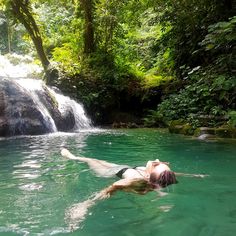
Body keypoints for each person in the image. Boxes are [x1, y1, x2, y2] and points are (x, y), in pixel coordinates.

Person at [61, 148, 180, 196]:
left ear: (148, 175)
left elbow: (114, 186)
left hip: (106, 172)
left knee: (91, 160)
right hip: (120, 167)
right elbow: (166, 178)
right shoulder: (157, 177)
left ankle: (73, 157)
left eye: (156, 164)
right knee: (100, 160)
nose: (157, 160)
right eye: (161, 162)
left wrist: (85, 205)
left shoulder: (134, 179)